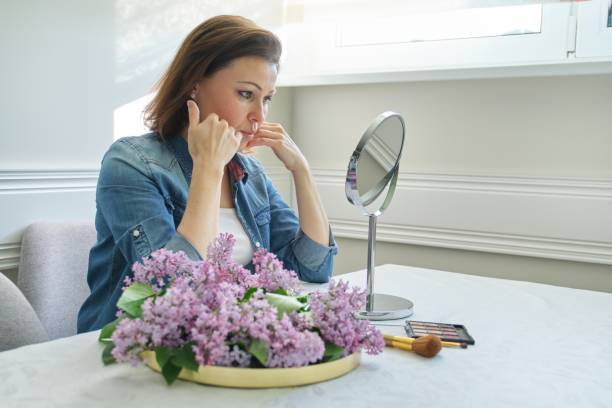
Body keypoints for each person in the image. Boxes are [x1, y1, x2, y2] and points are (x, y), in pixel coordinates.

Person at [77, 15, 337, 333]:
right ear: (194, 84)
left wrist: (302, 171)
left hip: (219, 352)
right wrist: (208, 168)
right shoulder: (131, 163)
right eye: (245, 94)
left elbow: (315, 267)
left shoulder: (250, 173)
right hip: (131, 354)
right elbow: (169, 290)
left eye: (266, 99)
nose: (259, 115)